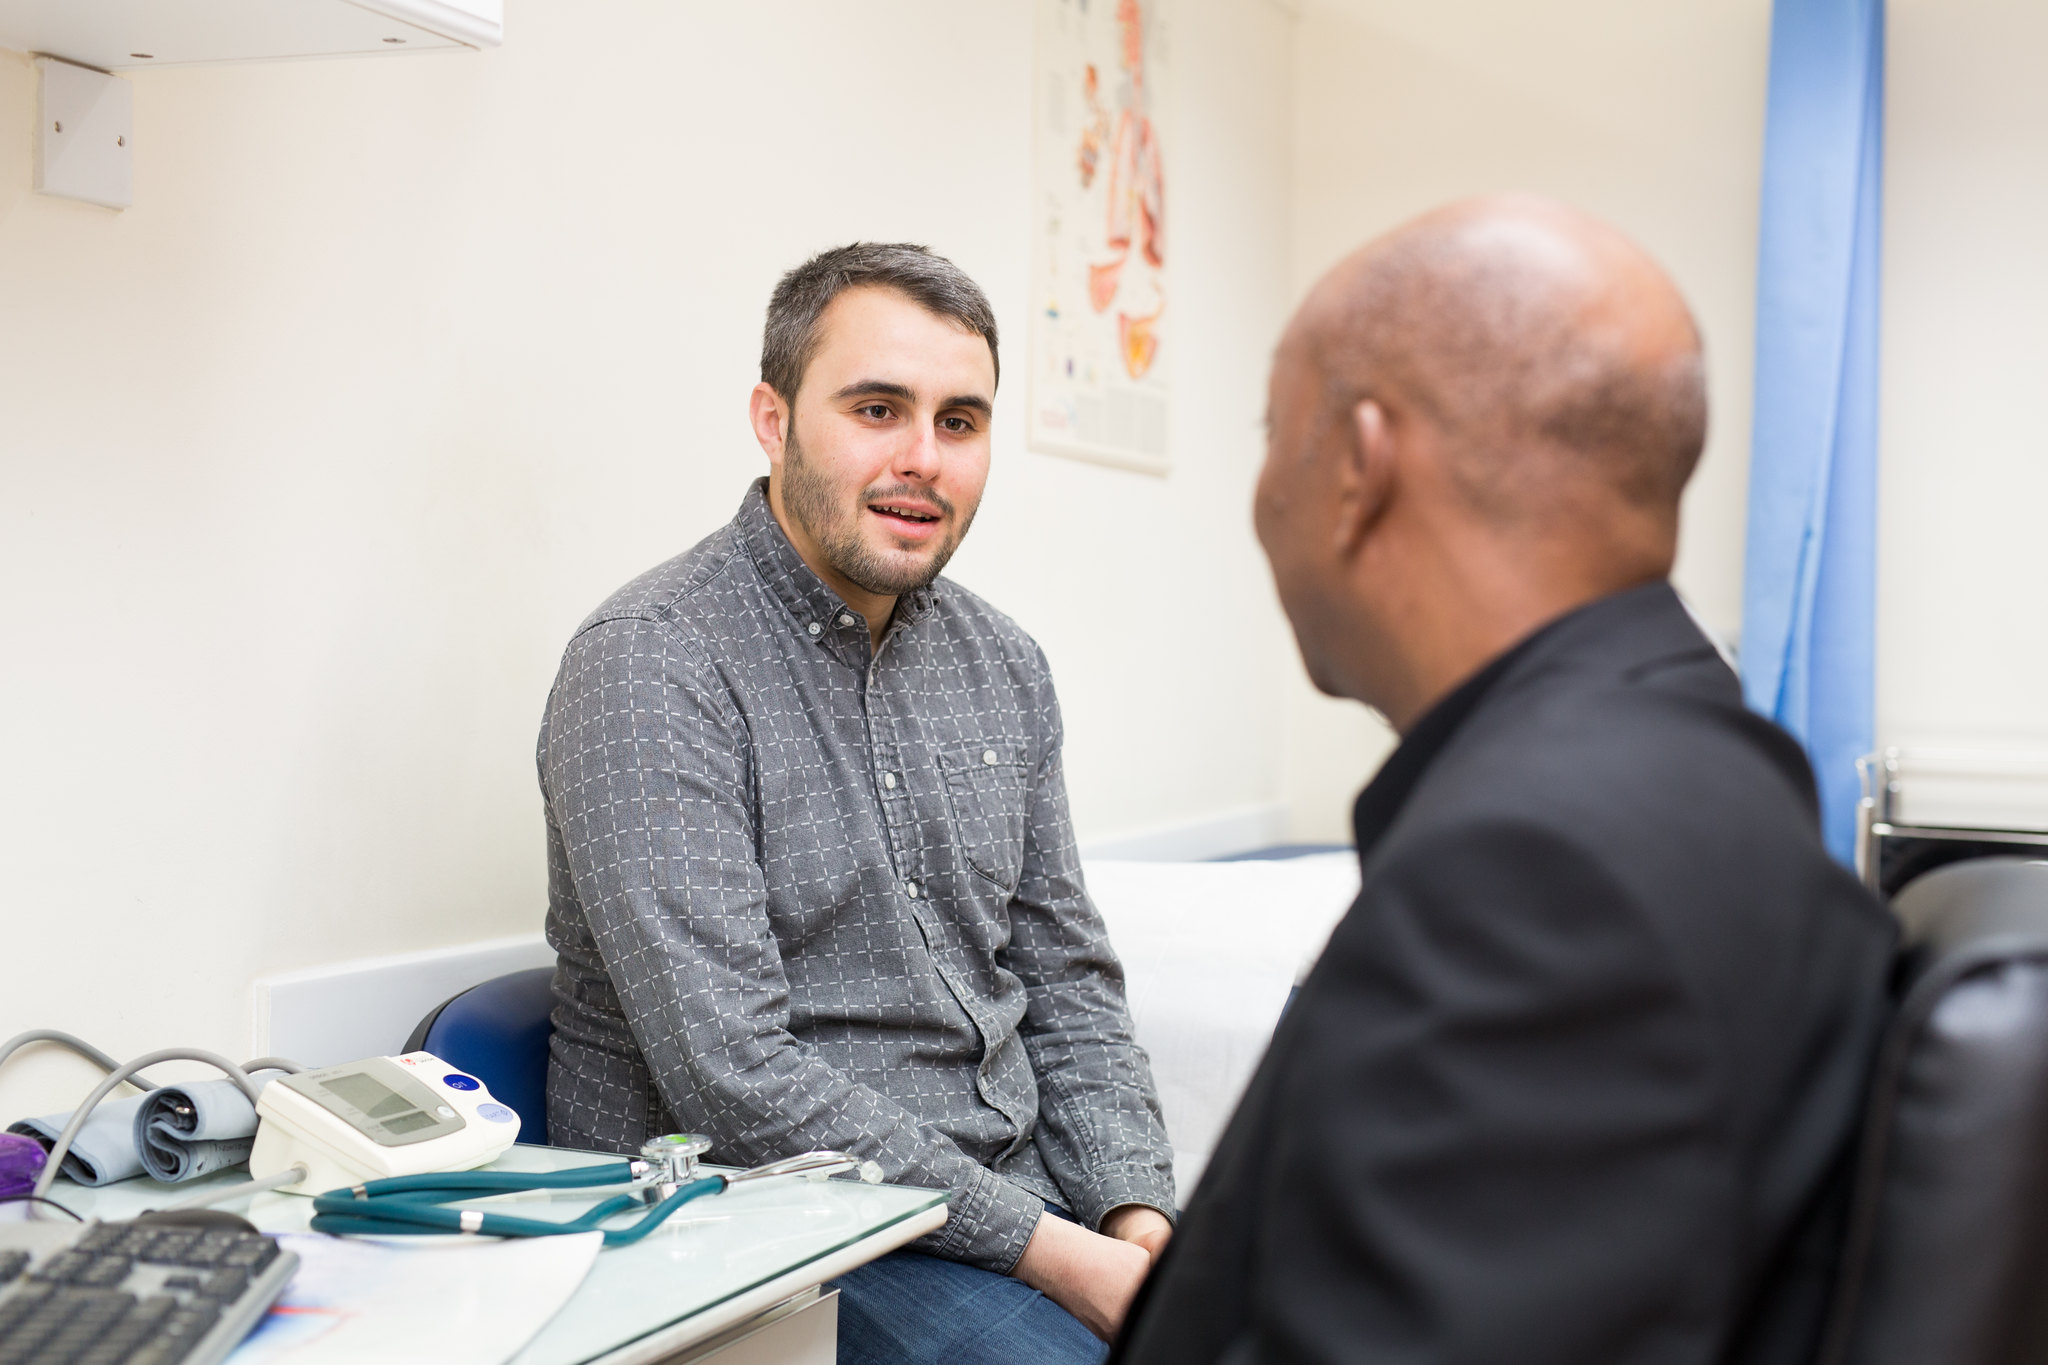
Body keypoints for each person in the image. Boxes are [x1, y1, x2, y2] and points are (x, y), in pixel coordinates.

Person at [1113, 198, 1896, 1365]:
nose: (1261, 497)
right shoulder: (1705, 756)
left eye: (1273, 433)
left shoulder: (1536, 881)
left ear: (1358, 469)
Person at [538, 242, 1174, 1364]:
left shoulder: (1003, 665)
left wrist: (1136, 1222)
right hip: (769, 1235)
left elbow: (1065, 979)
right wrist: (1064, 1257)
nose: (920, 459)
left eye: (959, 422)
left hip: (1010, 1211)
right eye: (876, 409)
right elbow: (734, 1076)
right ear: (772, 419)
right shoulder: (651, 665)